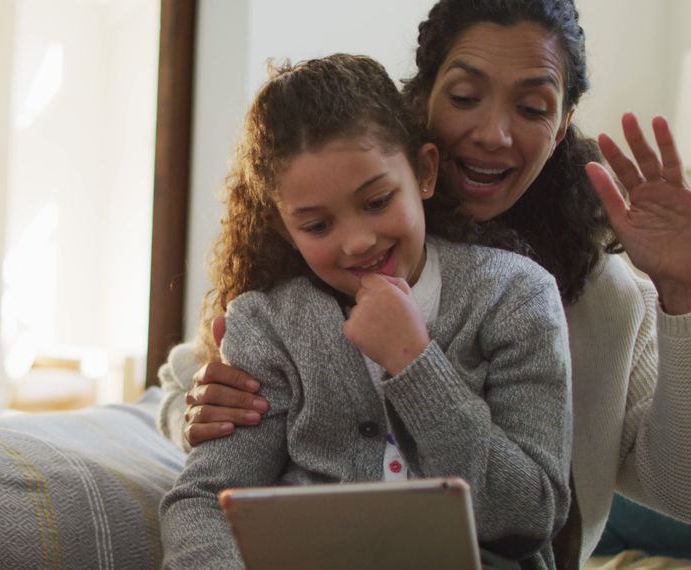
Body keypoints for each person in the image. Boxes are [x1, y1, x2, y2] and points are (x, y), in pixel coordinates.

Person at [159, 0, 691, 566]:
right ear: (423, 101)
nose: (492, 133)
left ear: (560, 128)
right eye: (465, 97)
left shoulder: (580, 294)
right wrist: (202, 407)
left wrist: (686, 292)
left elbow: (687, 494)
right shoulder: (304, 267)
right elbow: (200, 408)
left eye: (533, 107)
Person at [160, 53, 571, 570]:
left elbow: (531, 513)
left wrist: (416, 363)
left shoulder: (515, 295)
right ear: (285, 227)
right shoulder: (269, 323)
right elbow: (204, 499)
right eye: (316, 225)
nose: (357, 242)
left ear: (424, 171)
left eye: (377, 201)